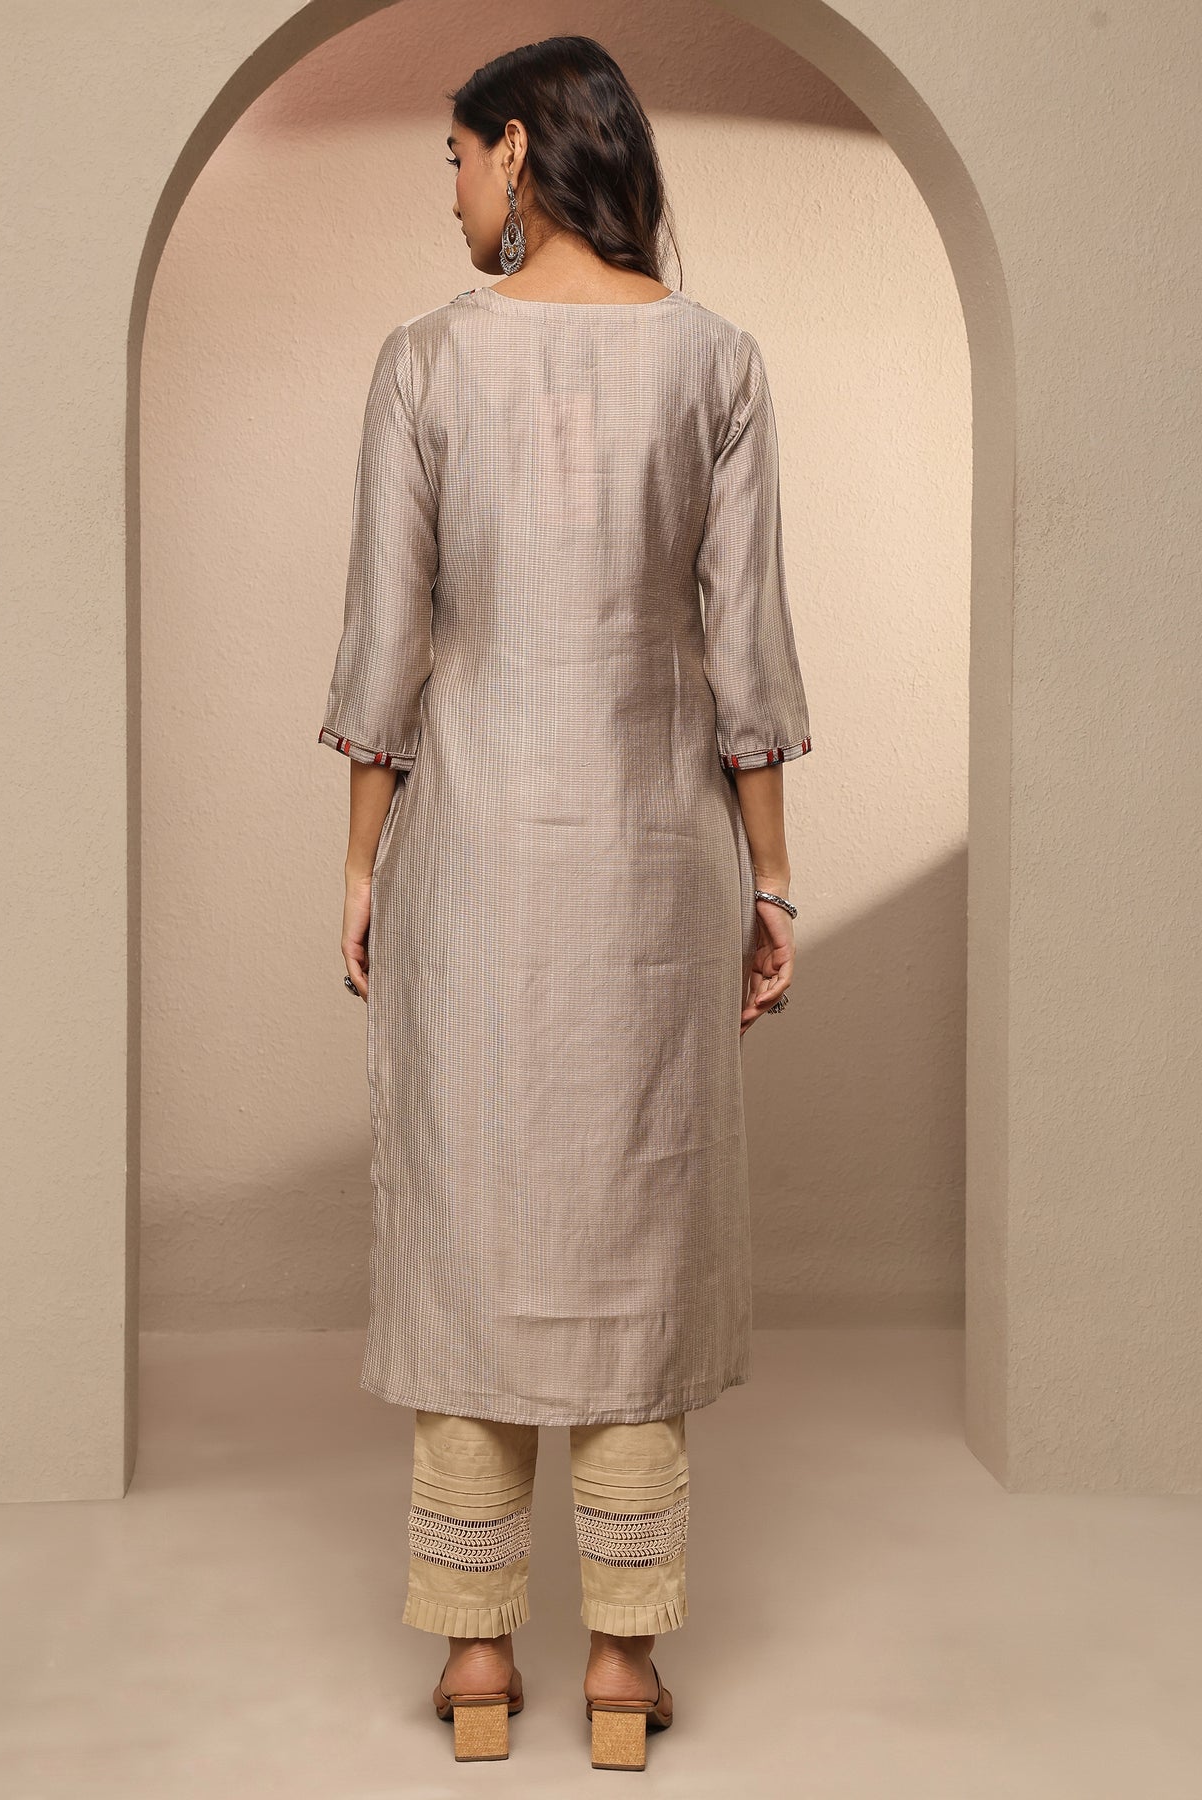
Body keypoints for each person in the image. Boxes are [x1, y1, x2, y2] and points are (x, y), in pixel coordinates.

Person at [316, 35, 812, 1772]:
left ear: (517, 151)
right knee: (633, 1238)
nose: (451, 193)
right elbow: (745, 655)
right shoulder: (716, 361)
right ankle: (618, 1664)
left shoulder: (425, 361)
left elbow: (384, 647)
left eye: (456, 159)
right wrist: (770, 878)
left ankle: (473, 1660)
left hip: (471, 857)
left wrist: (360, 865)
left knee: (472, 1229)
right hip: (653, 865)